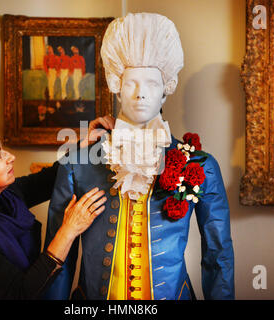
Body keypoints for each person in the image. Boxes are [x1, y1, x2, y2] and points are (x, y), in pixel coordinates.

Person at [44, 13, 234, 300]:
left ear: (166, 89)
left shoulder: (200, 165)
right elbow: (61, 252)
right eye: (132, 82)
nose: (141, 93)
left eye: (152, 83)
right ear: (117, 86)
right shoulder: (77, 163)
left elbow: (218, 255)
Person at [0, 116, 115, 299]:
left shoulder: (7, 196)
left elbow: (50, 179)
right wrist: (68, 231)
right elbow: (21, 292)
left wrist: (85, 143)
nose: (11, 157)